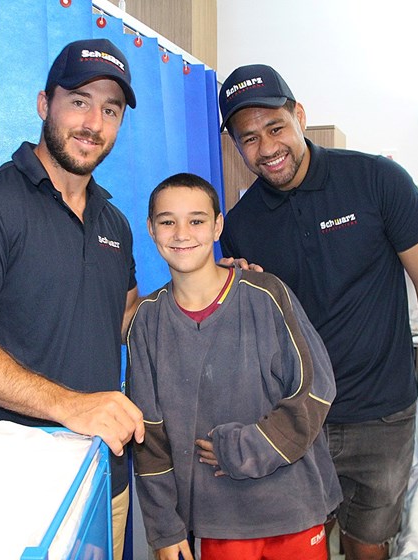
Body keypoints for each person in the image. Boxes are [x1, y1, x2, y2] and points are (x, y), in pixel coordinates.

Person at [217, 64, 418, 560]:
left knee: (368, 541)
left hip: (383, 410)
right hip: (299, 414)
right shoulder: (242, 225)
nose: (266, 148)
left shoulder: (376, 181)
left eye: (275, 128)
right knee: (302, 540)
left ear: (299, 116)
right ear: (234, 145)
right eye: (249, 139)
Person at [0, 38, 145, 558]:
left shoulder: (115, 221)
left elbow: (126, 317)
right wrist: (70, 406)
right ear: (45, 104)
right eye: (79, 101)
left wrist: (206, 286)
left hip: (101, 479)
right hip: (14, 489)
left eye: (110, 109)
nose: (93, 122)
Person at [128, 172, 342, 560]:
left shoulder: (266, 294)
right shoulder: (147, 322)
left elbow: (314, 388)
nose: (181, 233)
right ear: (151, 229)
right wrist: (164, 531)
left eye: (196, 220)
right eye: (167, 221)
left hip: (293, 504)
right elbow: (150, 439)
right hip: (218, 521)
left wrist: (245, 448)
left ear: (217, 226)